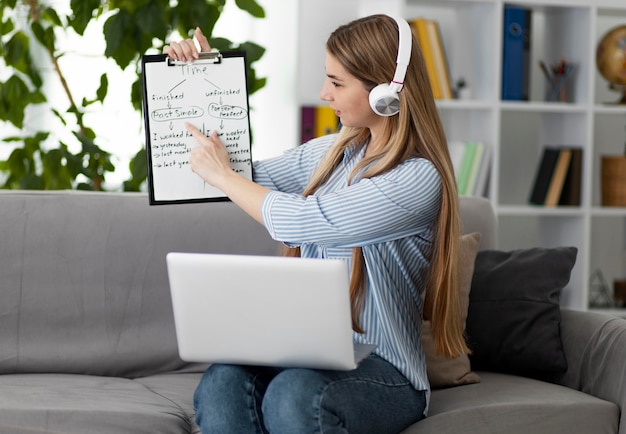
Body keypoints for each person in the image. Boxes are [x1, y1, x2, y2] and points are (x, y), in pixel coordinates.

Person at [163, 14, 468, 434]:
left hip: (387, 372)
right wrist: (203, 82)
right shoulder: (330, 154)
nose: (325, 93)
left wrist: (224, 176)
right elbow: (226, 177)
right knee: (223, 382)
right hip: (305, 357)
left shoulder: (417, 178)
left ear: (386, 92)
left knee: (294, 393)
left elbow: (302, 221)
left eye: (337, 83)